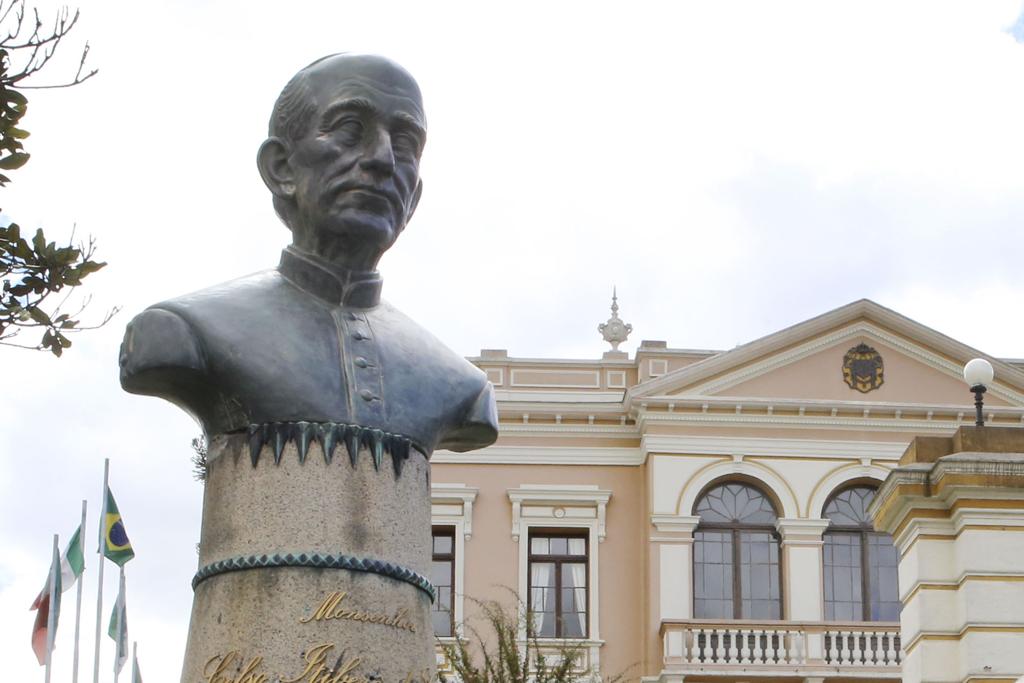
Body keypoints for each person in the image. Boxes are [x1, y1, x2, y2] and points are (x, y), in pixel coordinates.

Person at [119, 54, 498, 468]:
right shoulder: (184, 331)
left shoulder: (461, 387)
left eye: (406, 144)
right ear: (280, 167)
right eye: (351, 130)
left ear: (414, 199)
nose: (383, 159)